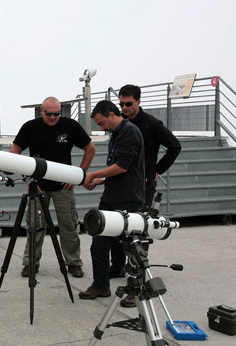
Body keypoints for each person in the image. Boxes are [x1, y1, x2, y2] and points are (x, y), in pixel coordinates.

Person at [11, 96, 96, 278]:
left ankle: (73, 263)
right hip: (38, 186)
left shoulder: (70, 126)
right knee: (35, 226)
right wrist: (27, 177)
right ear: (41, 111)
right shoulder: (30, 127)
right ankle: (30, 264)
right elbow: (14, 153)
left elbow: (90, 149)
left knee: (69, 225)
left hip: (64, 186)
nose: (52, 117)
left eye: (56, 114)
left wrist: (79, 175)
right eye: (49, 114)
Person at [110, 84, 182, 278]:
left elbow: (175, 146)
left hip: (143, 185)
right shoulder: (120, 123)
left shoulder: (152, 124)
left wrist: (158, 169)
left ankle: (136, 273)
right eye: (121, 104)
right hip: (121, 183)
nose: (124, 108)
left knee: (139, 228)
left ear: (139, 101)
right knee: (116, 226)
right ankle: (116, 267)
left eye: (128, 104)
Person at [78, 100, 145, 306]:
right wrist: (100, 181)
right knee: (99, 242)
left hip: (128, 198)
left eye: (101, 122)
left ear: (112, 114)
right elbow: (116, 169)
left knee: (131, 246)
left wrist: (94, 174)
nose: (101, 127)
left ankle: (136, 290)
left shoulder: (130, 132)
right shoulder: (116, 135)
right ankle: (101, 285)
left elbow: (122, 167)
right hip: (111, 196)